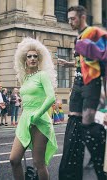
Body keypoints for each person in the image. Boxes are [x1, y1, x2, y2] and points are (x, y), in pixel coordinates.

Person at [58, 5, 107, 180]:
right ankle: (72, 173)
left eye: (73, 18)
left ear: (83, 16)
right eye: (69, 19)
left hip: (91, 86)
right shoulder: (78, 37)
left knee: (90, 128)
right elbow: (84, 63)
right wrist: (69, 64)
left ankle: (99, 172)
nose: (70, 21)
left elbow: (103, 57)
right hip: (78, 85)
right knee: (74, 125)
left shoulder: (94, 33)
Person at [9, 37, 58, 180]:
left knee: (39, 163)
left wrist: (36, 116)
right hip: (25, 120)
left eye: (35, 56)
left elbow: (51, 98)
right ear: (24, 59)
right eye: (29, 56)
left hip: (40, 120)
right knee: (14, 159)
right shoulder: (25, 79)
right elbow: (25, 102)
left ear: (39, 59)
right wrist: (22, 119)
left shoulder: (42, 75)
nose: (32, 59)